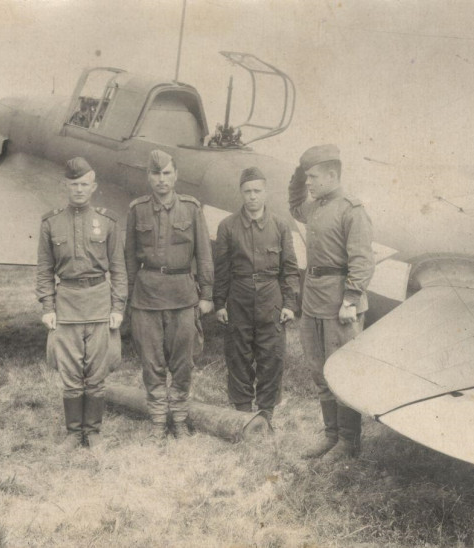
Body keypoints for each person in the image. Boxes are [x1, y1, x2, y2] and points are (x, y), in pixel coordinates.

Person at [288, 144, 375, 460]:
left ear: (332, 175)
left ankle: (348, 442)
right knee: (319, 369)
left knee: (342, 372)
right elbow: (294, 205)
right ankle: (331, 436)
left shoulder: (352, 210)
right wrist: (299, 171)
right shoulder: (315, 207)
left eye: (313, 176)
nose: (309, 183)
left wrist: (350, 299)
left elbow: (362, 260)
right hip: (313, 299)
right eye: (307, 177)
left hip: (340, 304)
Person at [36, 157, 127, 450]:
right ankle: (74, 433)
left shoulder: (108, 222)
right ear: (65, 185)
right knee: (71, 373)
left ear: (94, 186)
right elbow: (44, 270)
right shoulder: (51, 223)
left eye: (84, 184)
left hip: (99, 303)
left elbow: (119, 268)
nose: (79, 189)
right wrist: (48, 307)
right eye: (74, 184)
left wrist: (117, 307)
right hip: (67, 305)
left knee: (97, 372)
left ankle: (94, 432)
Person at [125, 149, 214, 442]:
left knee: (183, 362)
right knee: (151, 362)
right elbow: (129, 259)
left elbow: (204, 255)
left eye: (166, 173)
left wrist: (206, 294)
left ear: (176, 175)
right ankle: (158, 421)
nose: (161, 179)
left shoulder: (191, 208)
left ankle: (179, 419)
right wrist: (129, 296)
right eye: (156, 174)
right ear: (148, 177)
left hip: (182, 295)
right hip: (147, 296)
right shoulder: (137, 209)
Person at [214, 167, 299, 422]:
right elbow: (222, 269)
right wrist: (220, 303)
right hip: (238, 295)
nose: (252, 196)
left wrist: (289, 304)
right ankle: (242, 414)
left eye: (257, 191)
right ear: (241, 193)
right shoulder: (227, 226)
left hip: (271, 297)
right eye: (247, 191)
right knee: (238, 355)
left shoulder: (280, 226)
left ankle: (265, 414)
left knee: (271, 356)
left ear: (266, 192)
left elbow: (290, 269)